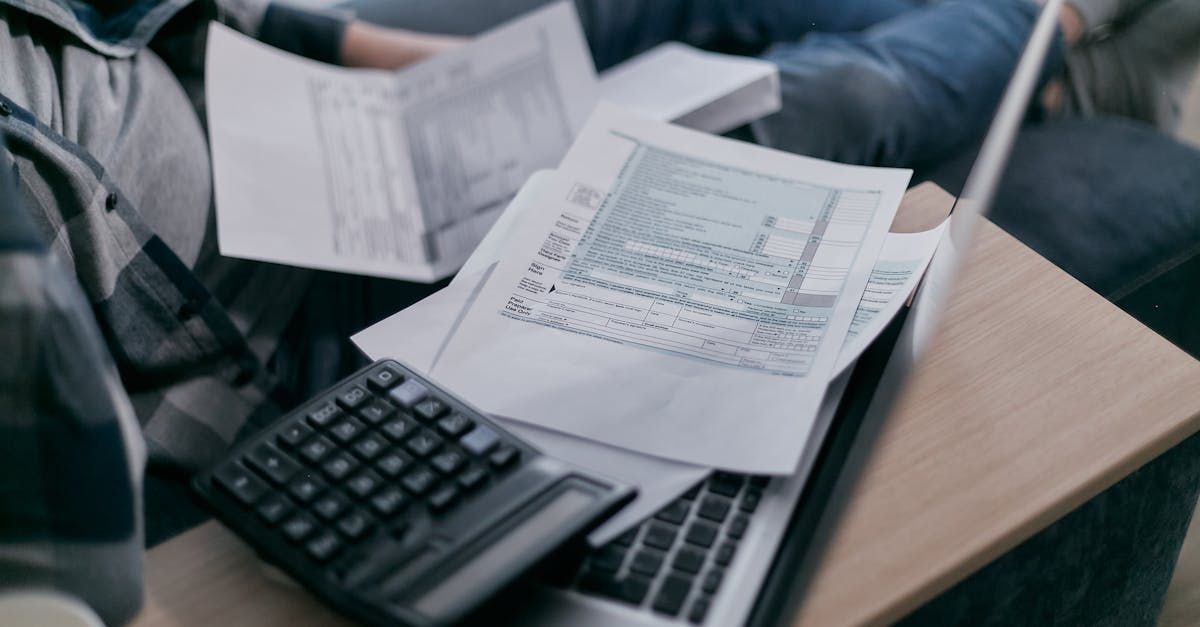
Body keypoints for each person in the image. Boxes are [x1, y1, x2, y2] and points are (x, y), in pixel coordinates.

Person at [0, 0, 1195, 623]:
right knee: (841, 99)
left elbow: (130, 12)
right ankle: (1066, 29)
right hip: (303, 332)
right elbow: (74, 577)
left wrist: (425, 80)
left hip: (327, 137)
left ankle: (1041, 64)